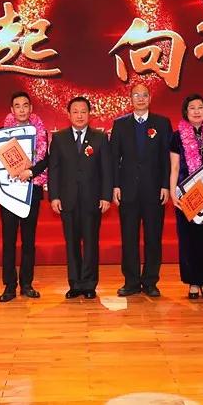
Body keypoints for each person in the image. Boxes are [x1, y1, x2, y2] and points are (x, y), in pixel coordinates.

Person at [110, 83, 173, 297]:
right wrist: (115, 185)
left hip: (154, 190)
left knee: (153, 238)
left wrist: (165, 185)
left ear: (149, 98)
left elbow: (166, 158)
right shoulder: (120, 124)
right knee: (129, 238)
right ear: (131, 99)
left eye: (144, 95)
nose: (140, 98)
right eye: (136, 95)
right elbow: (114, 158)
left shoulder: (162, 123)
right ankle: (131, 282)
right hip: (127, 190)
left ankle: (150, 281)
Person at [48, 96, 112, 299]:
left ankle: (89, 284)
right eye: (75, 111)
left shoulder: (100, 137)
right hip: (67, 200)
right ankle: (75, 284)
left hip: (92, 199)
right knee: (72, 243)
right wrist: (54, 196)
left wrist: (106, 196)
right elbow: (54, 170)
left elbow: (106, 170)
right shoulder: (59, 138)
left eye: (83, 111)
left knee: (91, 243)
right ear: (68, 115)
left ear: (89, 114)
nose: (79, 115)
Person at [0, 92, 48, 303]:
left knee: (29, 240)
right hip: (8, 193)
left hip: (31, 191)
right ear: (11, 110)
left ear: (31, 108)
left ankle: (27, 284)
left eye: (25, 105)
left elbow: (45, 159)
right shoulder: (0, 134)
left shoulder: (39, 133)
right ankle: (9, 286)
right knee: (9, 240)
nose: (22, 109)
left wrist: (30, 171)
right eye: (17, 106)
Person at [169, 94, 203, 300]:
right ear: (186, 112)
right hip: (187, 194)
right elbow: (175, 167)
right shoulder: (177, 137)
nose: (196, 111)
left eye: (200, 107)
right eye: (192, 108)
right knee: (189, 238)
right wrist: (173, 192)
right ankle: (193, 282)